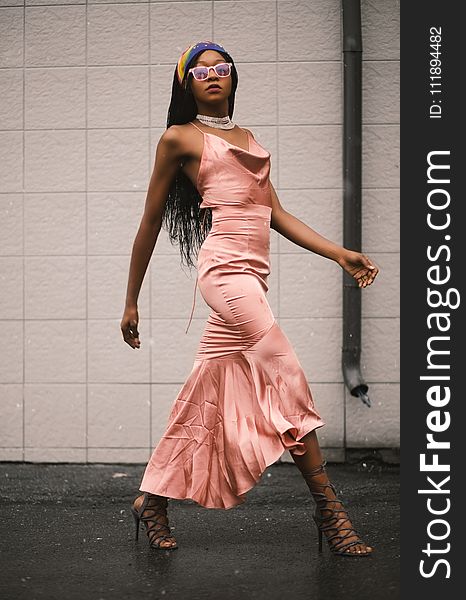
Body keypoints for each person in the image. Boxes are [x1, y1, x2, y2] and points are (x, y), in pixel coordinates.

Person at [121, 41, 379, 556]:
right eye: (200, 71)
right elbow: (150, 221)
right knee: (286, 376)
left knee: (205, 389)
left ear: (235, 79)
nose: (212, 76)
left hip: (253, 277)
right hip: (223, 274)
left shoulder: (249, 138)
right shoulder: (179, 138)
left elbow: (275, 214)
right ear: (186, 83)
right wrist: (131, 299)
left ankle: (151, 499)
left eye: (222, 69)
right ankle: (331, 512)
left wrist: (338, 253)